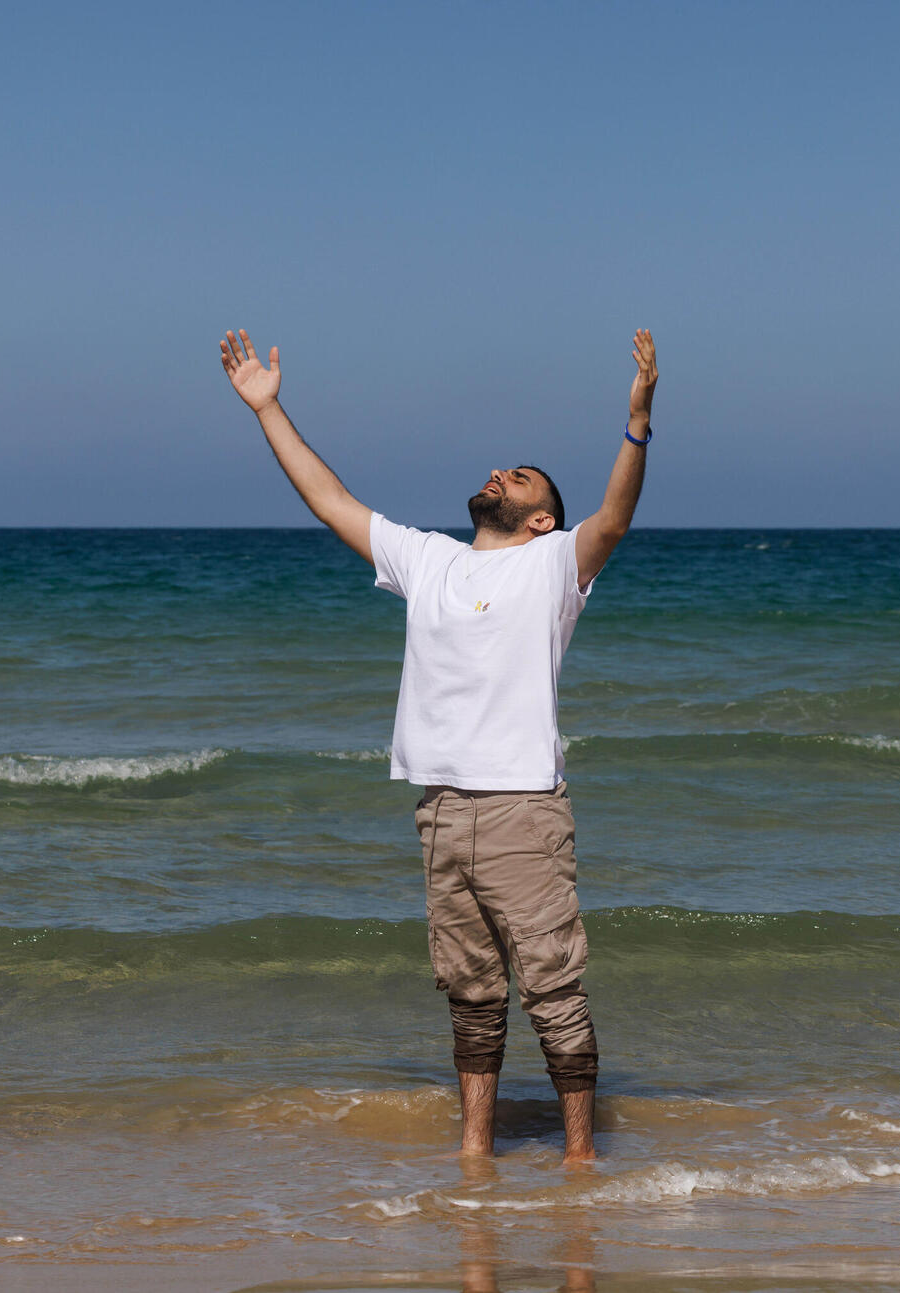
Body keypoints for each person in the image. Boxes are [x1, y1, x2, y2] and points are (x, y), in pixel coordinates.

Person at [219, 326, 657, 1162]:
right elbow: (329, 500)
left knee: (555, 991)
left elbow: (618, 517)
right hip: (441, 810)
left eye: (517, 476)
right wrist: (269, 411)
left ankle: (577, 1163)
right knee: (470, 995)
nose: (498, 472)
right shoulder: (426, 560)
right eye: (500, 467)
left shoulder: (557, 564)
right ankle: (474, 1155)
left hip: (524, 807)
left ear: (540, 517)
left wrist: (637, 422)